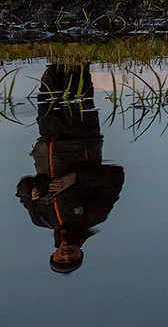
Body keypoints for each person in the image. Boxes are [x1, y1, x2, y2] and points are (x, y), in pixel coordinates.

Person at [16, 63, 125, 275]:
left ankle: (56, 43)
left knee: (49, 86)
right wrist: (73, 179)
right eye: (72, 258)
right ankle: (77, 42)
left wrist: (33, 189)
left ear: (53, 254)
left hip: (47, 137)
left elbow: (21, 190)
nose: (67, 255)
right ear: (80, 253)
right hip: (82, 135)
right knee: (76, 78)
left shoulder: (41, 219)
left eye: (62, 258)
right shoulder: (94, 216)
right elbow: (115, 177)